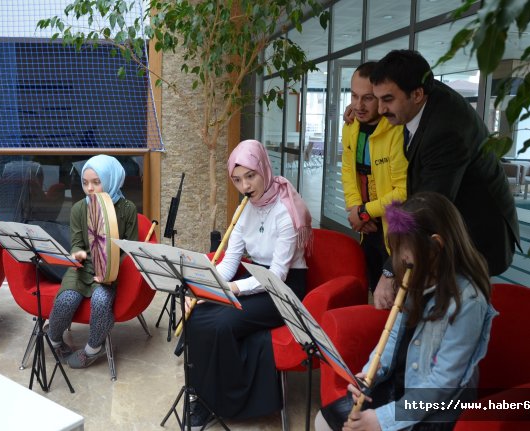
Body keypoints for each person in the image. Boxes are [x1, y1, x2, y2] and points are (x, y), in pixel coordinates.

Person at [316, 192, 497, 431]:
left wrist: (382, 420)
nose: (399, 260)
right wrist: (369, 373)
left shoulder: (469, 301)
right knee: (324, 420)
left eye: (405, 252)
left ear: (436, 246)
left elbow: (442, 384)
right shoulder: (418, 274)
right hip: (398, 384)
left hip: (435, 408)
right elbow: (392, 337)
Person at [369, 49, 519, 309]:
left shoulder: (446, 130)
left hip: (475, 234)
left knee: (452, 314)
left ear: (417, 94)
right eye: (378, 99)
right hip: (448, 224)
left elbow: (429, 204)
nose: (381, 109)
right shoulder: (420, 93)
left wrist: (390, 270)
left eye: (388, 100)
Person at [185, 139, 312, 429]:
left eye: (250, 176)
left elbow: (278, 274)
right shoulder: (243, 210)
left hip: (285, 288)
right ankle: (201, 393)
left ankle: (222, 400)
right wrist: (207, 285)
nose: (245, 186)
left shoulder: (286, 212)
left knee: (222, 323)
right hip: (255, 277)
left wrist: (233, 290)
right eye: (237, 179)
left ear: (264, 169)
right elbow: (230, 262)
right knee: (199, 313)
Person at [46, 155, 138, 369]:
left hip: (110, 271)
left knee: (100, 301)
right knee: (66, 299)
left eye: (96, 182)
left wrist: (109, 271)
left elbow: (130, 249)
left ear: (111, 180)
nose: (90, 188)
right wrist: (78, 254)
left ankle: (92, 349)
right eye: (85, 182)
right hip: (82, 269)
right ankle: (54, 339)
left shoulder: (127, 209)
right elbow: (77, 243)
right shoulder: (80, 208)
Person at [341, 61, 407, 292]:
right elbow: (348, 171)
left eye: (368, 98)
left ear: (381, 96)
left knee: (396, 298)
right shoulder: (350, 126)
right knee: (372, 291)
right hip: (366, 227)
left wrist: (364, 212)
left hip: (396, 233)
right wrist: (355, 208)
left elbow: (403, 191)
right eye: (354, 96)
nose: (358, 105)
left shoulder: (398, 130)